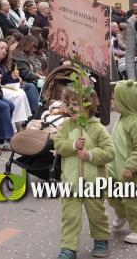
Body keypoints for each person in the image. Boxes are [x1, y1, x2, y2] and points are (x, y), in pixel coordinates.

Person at [54, 86, 114, 259]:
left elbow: (110, 152)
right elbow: (58, 145)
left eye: (76, 104)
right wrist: (73, 146)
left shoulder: (97, 128)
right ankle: (68, 247)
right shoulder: (66, 126)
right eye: (69, 103)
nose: (71, 108)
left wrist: (91, 154)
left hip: (94, 183)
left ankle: (101, 238)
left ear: (89, 106)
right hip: (70, 182)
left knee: (97, 214)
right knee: (70, 216)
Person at [107, 81, 137, 245]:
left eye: (116, 100)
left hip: (131, 172)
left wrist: (131, 165)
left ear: (126, 103)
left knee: (133, 202)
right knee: (112, 195)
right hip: (115, 168)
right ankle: (122, 213)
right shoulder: (122, 119)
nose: (113, 102)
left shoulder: (135, 123)